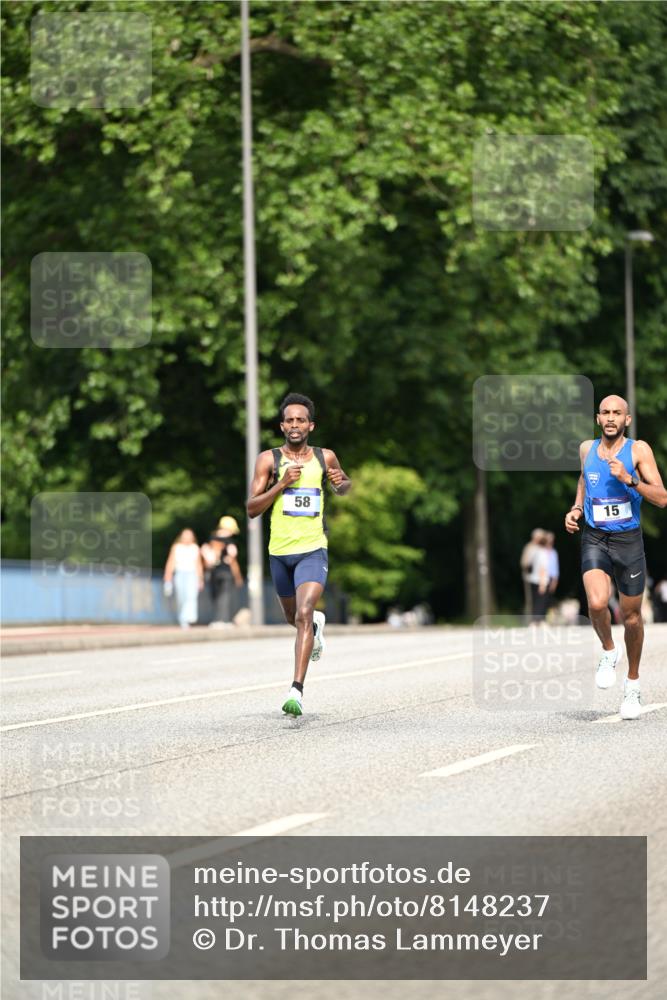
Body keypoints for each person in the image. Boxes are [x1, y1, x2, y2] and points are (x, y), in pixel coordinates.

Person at [247, 392, 351, 717]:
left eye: (301, 420)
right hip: (279, 552)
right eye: (289, 420)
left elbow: (343, 485)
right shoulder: (269, 460)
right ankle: (315, 627)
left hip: (313, 549)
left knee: (304, 613)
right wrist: (280, 485)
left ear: (310, 425)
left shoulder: (325, 457)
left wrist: (340, 483)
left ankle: (297, 690)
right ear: (282, 426)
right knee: (293, 618)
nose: (295, 425)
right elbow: (251, 509)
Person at [565, 395, 667, 719]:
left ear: (627, 419)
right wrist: (577, 508)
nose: (611, 418)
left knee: (632, 616)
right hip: (595, 536)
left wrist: (630, 479)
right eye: (605, 413)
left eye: (617, 413)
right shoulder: (586, 449)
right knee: (596, 603)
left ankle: (633, 684)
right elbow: (584, 479)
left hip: (628, 541)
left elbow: (662, 498)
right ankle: (609, 650)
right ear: (598, 419)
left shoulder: (639, 451)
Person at [201, 516, 244, 627]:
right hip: (226, 571)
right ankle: (224, 620)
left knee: (215, 595)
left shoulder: (210, 539)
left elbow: (205, 555)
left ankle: (217, 620)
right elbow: (232, 560)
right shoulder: (230, 542)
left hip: (213, 572)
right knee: (225, 596)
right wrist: (238, 576)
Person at [163, 528, 204, 628]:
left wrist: (200, 579)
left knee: (191, 596)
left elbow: (198, 565)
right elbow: (170, 563)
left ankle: (188, 617)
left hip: (192, 574)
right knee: (181, 597)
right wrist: (167, 579)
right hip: (180, 574)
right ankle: (182, 618)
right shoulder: (176, 547)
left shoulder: (195, 548)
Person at [520, 528, 544, 615]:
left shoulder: (541, 547)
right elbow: (524, 562)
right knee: (530, 598)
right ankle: (529, 618)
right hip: (530, 577)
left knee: (539, 598)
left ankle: (537, 618)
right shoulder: (529, 547)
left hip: (540, 577)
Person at [527, 531, 550, 622]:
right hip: (540, 580)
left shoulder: (535, 551)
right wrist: (542, 583)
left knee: (535, 601)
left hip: (533, 579)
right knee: (540, 602)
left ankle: (534, 620)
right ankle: (538, 621)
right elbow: (542, 568)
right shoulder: (543, 553)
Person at [545, 531, 560, 610]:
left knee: (548, 599)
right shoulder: (541, 551)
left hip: (551, 578)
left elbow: (555, 568)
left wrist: (555, 580)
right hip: (541, 577)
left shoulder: (554, 552)